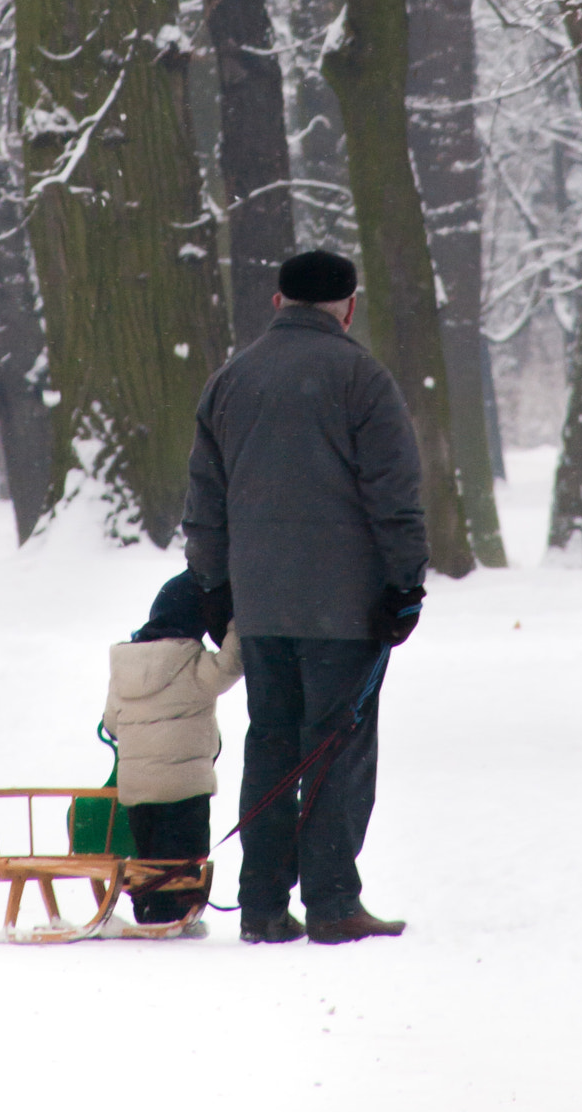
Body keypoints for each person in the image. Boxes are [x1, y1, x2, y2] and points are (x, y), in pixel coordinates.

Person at [183, 248, 428, 946]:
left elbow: (204, 500)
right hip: (345, 606)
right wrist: (405, 583)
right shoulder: (362, 380)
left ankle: (261, 903)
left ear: (277, 301)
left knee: (271, 743)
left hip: (260, 603)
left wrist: (214, 584)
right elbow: (395, 495)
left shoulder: (230, 380)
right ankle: (331, 901)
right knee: (336, 749)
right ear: (349, 306)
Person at [102, 569, 243, 929]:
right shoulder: (193, 666)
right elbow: (233, 662)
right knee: (183, 857)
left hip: (137, 790)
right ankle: (176, 911)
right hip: (184, 788)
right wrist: (237, 620)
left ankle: (149, 906)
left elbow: (113, 724)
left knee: (148, 855)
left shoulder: (124, 669)